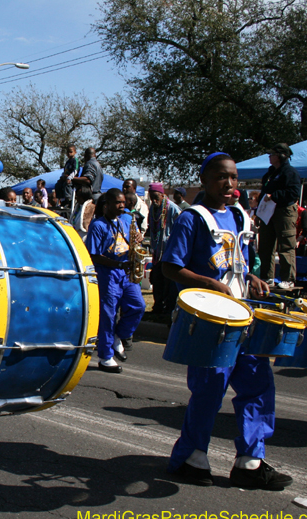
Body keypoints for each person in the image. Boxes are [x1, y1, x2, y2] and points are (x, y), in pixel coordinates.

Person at [161, 152, 290, 490]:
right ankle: (192, 458)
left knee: (257, 383)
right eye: (221, 177)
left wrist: (254, 279)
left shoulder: (239, 217)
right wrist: (208, 283)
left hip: (242, 315)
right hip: (210, 321)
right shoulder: (193, 218)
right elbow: (170, 267)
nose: (229, 183)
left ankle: (250, 462)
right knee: (209, 389)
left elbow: (239, 265)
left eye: (233, 177)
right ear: (204, 180)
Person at [85, 188, 146, 373]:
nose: (122, 206)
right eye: (118, 203)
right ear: (107, 205)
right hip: (108, 273)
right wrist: (117, 265)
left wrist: (138, 240)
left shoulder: (125, 221)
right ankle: (105, 356)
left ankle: (120, 335)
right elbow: (93, 255)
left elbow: (131, 243)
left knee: (138, 306)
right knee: (108, 315)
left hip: (125, 273)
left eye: (123, 203)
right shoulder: (98, 225)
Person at [258, 143, 301, 290]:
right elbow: (264, 191)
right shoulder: (270, 173)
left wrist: (274, 196)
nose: (269, 157)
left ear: (281, 156)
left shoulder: (290, 172)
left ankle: (288, 279)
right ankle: (267, 277)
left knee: (286, 246)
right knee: (265, 246)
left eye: (272, 154)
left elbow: (294, 193)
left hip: (284, 211)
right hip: (268, 212)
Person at [147, 183, 181, 315]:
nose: (154, 201)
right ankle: (157, 306)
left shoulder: (172, 209)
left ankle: (168, 309)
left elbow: (179, 230)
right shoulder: (153, 208)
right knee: (156, 280)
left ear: (162, 195)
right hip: (157, 252)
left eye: (156, 197)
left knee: (168, 283)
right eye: (151, 198)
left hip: (168, 252)